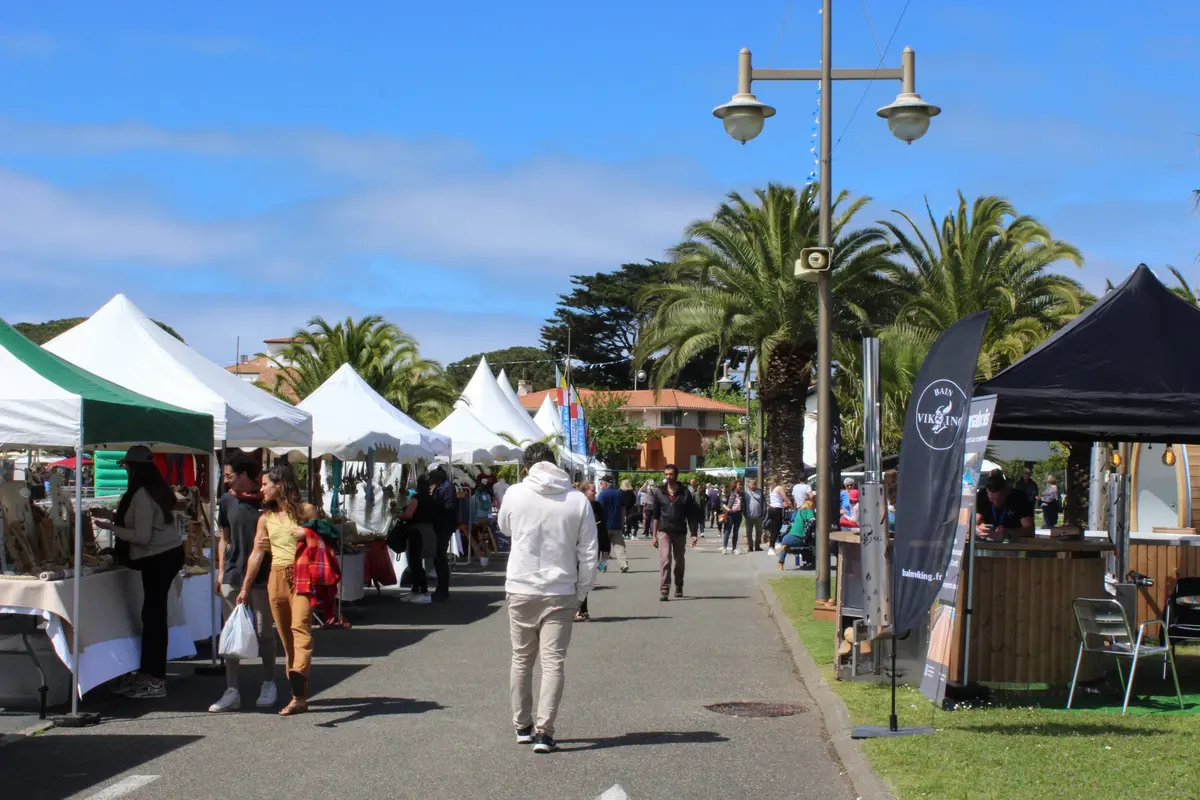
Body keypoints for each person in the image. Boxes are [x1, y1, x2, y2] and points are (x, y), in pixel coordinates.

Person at [501, 443, 598, 754]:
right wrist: (581, 592)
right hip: (561, 589)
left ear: (528, 467)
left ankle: (522, 726)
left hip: (521, 586)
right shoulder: (577, 500)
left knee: (521, 659)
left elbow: (504, 527)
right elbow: (589, 553)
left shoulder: (515, 493)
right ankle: (544, 732)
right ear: (555, 464)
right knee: (553, 663)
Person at [92, 445, 185, 700]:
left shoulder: (142, 493)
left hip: (158, 557)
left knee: (153, 618)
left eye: (126, 467)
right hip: (166, 554)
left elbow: (141, 536)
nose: (125, 471)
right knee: (153, 616)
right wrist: (111, 515)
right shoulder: (155, 490)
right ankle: (149, 674)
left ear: (134, 468)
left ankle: (154, 679)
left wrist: (110, 526)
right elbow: (143, 523)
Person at [238, 465, 312, 716]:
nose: (261, 489)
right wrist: (245, 588)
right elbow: (257, 554)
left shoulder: (305, 511)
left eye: (265, 484)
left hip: (302, 574)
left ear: (280, 485)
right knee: (286, 638)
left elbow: (328, 536)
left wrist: (309, 533)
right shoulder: (265, 519)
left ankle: (299, 671)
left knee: (300, 627)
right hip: (276, 577)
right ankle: (298, 697)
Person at [209, 452, 277, 713]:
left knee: (263, 631)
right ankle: (232, 689)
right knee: (231, 632)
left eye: (229, 476)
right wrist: (220, 572)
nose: (226, 481)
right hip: (234, 571)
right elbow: (223, 538)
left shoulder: (267, 499)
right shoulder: (227, 501)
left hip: (262, 573)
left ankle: (269, 682)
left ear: (244, 475)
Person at [649, 464, 701, 600]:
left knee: (679, 561)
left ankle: (679, 585)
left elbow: (691, 515)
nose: (668, 477)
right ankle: (664, 589)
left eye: (670, 474)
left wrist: (694, 534)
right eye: (666, 474)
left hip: (679, 531)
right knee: (665, 559)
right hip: (664, 530)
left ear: (676, 475)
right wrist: (654, 535)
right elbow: (655, 515)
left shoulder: (685, 493)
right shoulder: (659, 492)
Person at [398, 473, 436, 604]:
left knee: (415, 562)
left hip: (416, 532)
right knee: (420, 561)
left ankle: (423, 591)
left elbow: (408, 515)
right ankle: (417, 590)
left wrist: (399, 515)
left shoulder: (416, 497)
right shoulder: (431, 499)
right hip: (429, 532)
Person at [577, 481, 611, 621]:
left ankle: (582, 610)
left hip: (594, 546)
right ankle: (579, 610)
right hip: (578, 547)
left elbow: (603, 527)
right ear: (584, 492)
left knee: (586, 579)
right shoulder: (577, 506)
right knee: (577, 579)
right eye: (592, 490)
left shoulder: (597, 506)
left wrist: (606, 548)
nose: (595, 493)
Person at [976, 472, 1035, 541]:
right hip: (987, 543)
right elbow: (969, 525)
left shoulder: (1019, 498)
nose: (995, 503)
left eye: (998, 499)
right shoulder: (981, 496)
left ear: (1006, 492)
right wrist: (978, 530)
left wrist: (1008, 532)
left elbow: (1029, 529)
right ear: (987, 491)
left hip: (1013, 544)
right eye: (991, 500)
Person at [430, 467, 457, 601]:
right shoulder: (441, 487)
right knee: (438, 558)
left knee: (440, 557)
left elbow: (450, 506)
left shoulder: (447, 488)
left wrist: (436, 508)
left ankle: (443, 588)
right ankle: (441, 587)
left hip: (443, 526)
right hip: (440, 526)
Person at [597, 476, 629, 573]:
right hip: (616, 525)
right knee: (620, 547)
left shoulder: (602, 494)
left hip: (604, 526)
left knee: (605, 549)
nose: (600, 485)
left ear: (605, 484)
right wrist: (623, 522)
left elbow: (598, 509)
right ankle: (623, 564)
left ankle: (603, 567)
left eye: (601, 483)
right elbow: (623, 509)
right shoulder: (619, 494)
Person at [777, 499, 816, 570]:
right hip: (800, 538)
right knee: (811, 543)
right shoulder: (808, 511)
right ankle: (810, 562)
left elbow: (792, 521)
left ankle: (780, 563)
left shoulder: (799, 511)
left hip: (788, 537)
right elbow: (812, 520)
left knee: (785, 545)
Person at [720, 480, 743, 555]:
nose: (741, 486)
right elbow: (722, 503)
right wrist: (728, 509)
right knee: (727, 531)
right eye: (739, 485)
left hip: (738, 514)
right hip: (730, 514)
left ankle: (734, 548)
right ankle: (724, 548)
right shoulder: (729, 493)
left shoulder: (742, 494)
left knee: (736, 532)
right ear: (735, 485)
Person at [743, 478, 766, 552]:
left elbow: (764, 503)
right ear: (748, 484)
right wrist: (744, 513)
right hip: (749, 516)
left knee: (759, 532)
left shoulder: (760, 492)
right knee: (749, 532)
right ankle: (750, 547)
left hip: (759, 516)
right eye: (752, 484)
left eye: (754, 484)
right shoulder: (746, 493)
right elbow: (743, 504)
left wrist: (764, 513)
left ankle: (757, 546)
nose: (753, 485)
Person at [766, 477, 788, 554]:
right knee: (776, 528)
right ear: (780, 480)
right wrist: (792, 506)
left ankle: (774, 543)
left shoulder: (771, 488)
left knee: (775, 528)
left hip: (771, 509)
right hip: (777, 510)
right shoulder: (779, 488)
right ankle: (771, 547)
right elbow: (785, 498)